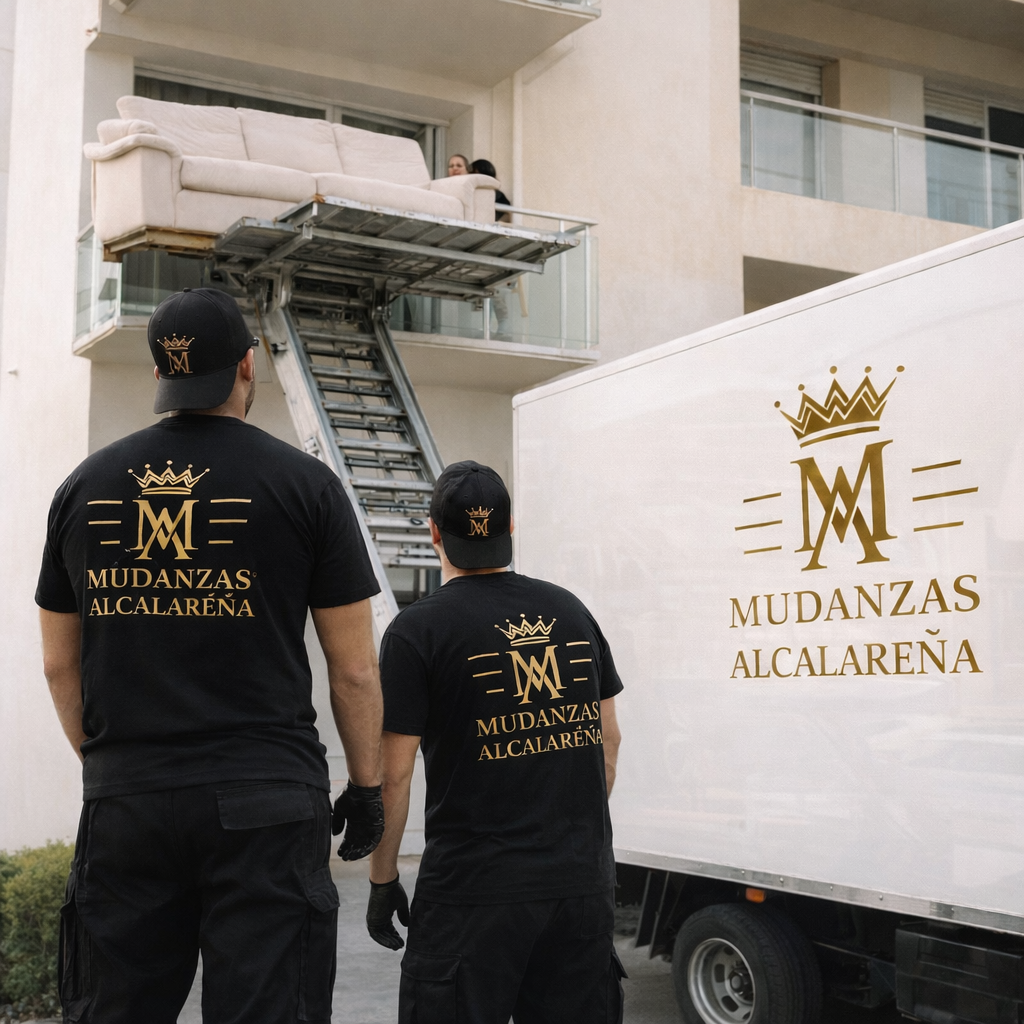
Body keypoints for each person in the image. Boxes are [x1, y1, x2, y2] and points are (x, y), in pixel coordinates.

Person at [36, 287, 387, 1024]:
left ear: (160, 373)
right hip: (266, 802)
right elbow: (355, 668)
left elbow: (59, 664)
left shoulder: (84, 488)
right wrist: (367, 787)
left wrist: (113, 768)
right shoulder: (307, 486)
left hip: (128, 803)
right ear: (247, 365)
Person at [365, 460, 626, 1024]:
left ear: (434, 533)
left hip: (473, 895)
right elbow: (609, 742)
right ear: (510, 526)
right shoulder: (571, 612)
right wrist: (563, 835)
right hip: (580, 888)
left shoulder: (417, 632)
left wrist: (383, 878)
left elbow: (393, 777)